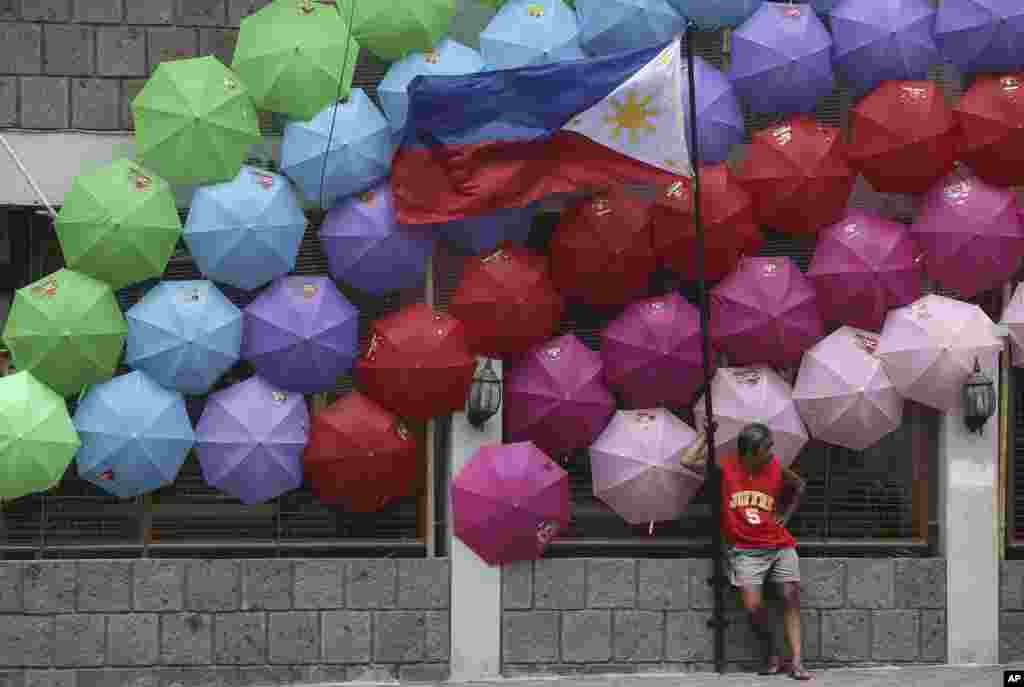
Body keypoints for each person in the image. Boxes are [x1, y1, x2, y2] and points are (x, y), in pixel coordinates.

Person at [681, 423, 812, 681]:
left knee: (789, 595)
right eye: (767, 448)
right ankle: (773, 653)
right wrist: (705, 436)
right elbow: (687, 460)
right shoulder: (727, 468)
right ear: (750, 453)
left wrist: (786, 514)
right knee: (753, 606)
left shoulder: (775, 467)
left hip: (779, 545)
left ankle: (797, 661)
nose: (772, 452)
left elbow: (800, 485)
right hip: (745, 550)